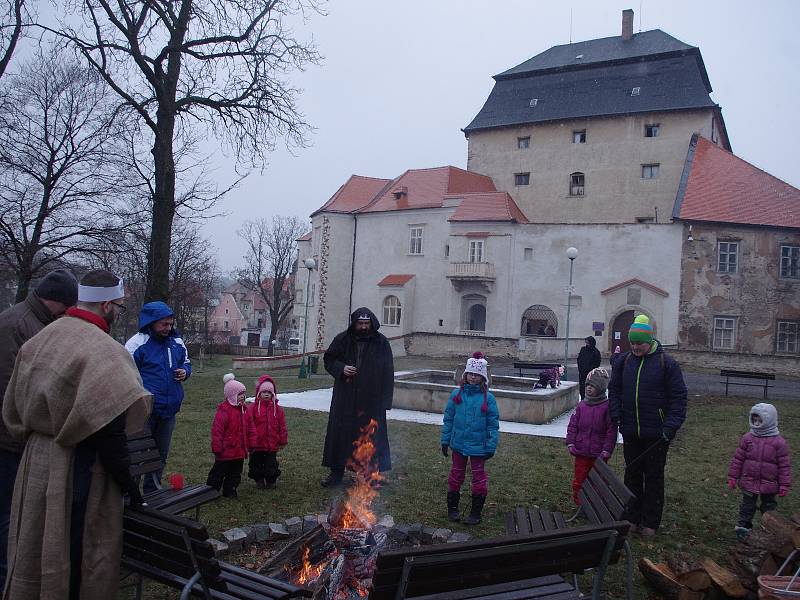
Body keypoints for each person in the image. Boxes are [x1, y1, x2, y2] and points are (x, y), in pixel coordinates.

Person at [2, 269, 150, 600]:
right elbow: (110, 431)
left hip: (36, 460)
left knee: (36, 546)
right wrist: (128, 485)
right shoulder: (105, 353)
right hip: (75, 466)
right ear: (109, 305)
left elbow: (12, 402)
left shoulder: (43, 337)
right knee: (72, 554)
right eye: (119, 307)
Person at [0, 269, 78, 590]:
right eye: (67, 308)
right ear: (55, 301)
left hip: (22, 437)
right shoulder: (15, 327)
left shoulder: (38, 321)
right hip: (8, 439)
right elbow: (11, 390)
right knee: (7, 514)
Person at [609, 314, 687, 537]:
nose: (635, 347)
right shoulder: (624, 362)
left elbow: (679, 398)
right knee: (632, 475)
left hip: (657, 434)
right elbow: (614, 390)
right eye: (632, 343)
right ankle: (631, 517)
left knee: (653, 478)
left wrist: (670, 427)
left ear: (650, 341)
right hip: (631, 429)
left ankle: (650, 522)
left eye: (639, 343)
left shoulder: (667, 364)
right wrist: (616, 414)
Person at [321, 307, 394, 487]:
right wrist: (341, 368)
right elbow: (329, 359)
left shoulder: (381, 343)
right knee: (341, 435)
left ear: (371, 323)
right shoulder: (342, 339)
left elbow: (388, 372)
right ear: (354, 323)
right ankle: (336, 473)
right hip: (345, 398)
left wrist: (385, 401)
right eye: (360, 323)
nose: (363, 327)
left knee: (370, 437)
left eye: (366, 323)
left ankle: (370, 475)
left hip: (372, 400)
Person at [125, 301, 192, 493]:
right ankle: (131, 493)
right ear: (152, 322)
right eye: (164, 324)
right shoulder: (136, 344)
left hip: (169, 409)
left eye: (170, 324)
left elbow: (186, 362)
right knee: (138, 453)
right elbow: (125, 373)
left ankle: (152, 490)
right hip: (144, 410)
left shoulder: (176, 342)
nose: (168, 328)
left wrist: (185, 372)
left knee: (160, 454)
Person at [441, 352, 499, 525]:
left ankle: (475, 512)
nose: (473, 378)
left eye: (477, 375)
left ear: (482, 378)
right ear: (465, 375)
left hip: (479, 446)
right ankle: (452, 509)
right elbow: (448, 418)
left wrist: (491, 445)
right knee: (456, 475)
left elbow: (492, 424)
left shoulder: (488, 398)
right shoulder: (456, 395)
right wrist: (445, 440)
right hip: (458, 444)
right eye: (470, 374)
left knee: (479, 477)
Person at [728, 403, 791, 540]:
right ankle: (743, 529)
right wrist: (733, 476)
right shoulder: (748, 438)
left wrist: (784, 484)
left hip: (770, 484)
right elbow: (738, 459)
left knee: (768, 509)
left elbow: (784, 466)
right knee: (746, 507)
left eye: (760, 420)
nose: (756, 423)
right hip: (749, 481)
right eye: (754, 420)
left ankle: (769, 530)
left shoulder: (779, 443)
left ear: (769, 421)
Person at [565, 367, 617, 504]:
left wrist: (607, 450)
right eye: (587, 385)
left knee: (598, 480)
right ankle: (580, 503)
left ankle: (596, 503)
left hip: (598, 453)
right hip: (581, 451)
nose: (588, 388)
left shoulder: (607, 407)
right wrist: (571, 442)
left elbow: (611, 431)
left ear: (600, 388)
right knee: (579, 478)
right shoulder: (582, 406)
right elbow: (573, 425)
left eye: (592, 386)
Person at [207, 374, 253, 498]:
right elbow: (217, 431)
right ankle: (212, 490)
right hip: (225, 451)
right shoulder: (224, 410)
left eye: (244, 393)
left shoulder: (245, 410)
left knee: (235, 473)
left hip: (239, 450)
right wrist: (217, 447)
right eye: (240, 394)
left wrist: (252, 443)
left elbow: (250, 427)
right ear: (232, 395)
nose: (243, 396)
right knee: (218, 472)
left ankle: (230, 489)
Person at [247, 374, 288, 489]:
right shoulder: (252, 408)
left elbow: (282, 426)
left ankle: (271, 480)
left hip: (271, 445)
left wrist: (282, 440)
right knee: (256, 464)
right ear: (258, 393)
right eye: (263, 392)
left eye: (269, 392)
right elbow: (248, 425)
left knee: (271, 465)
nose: (266, 394)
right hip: (257, 445)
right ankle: (259, 479)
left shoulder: (278, 410)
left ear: (273, 394)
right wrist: (249, 440)